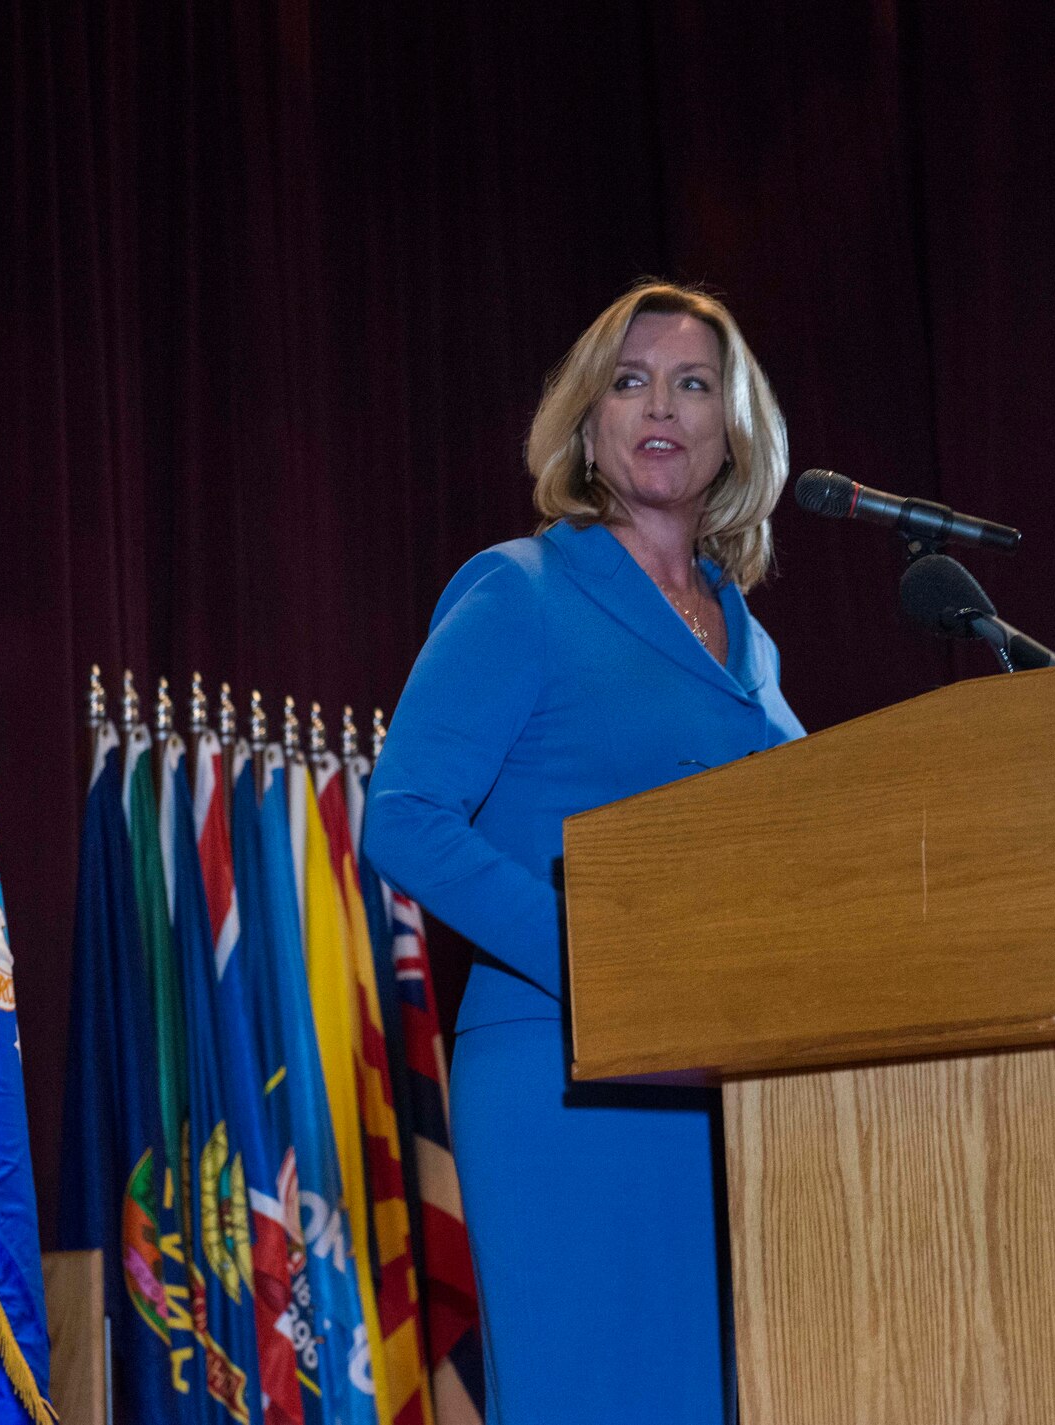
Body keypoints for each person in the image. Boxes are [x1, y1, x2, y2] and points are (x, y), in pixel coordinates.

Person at [362, 281, 804, 1423]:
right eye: (630, 379)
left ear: (732, 430)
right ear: (588, 422)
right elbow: (402, 814)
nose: (661, 403)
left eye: (693, 382)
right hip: (565, 1083)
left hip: (728, 1101)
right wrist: (598, 959)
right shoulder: (521, 592)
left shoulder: (742, 636)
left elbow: (808, 837)